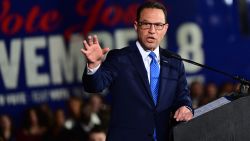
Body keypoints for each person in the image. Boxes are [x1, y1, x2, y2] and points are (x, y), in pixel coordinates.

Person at [81, 1, 193, 141]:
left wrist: (185, 107)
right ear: (136, 26)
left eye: (158, 25)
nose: (152, 30)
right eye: (146, 24)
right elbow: (94, 85)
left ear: (165, 29)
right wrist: (93, 65)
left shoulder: (174, 61)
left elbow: (182, 96)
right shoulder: (119, 58)